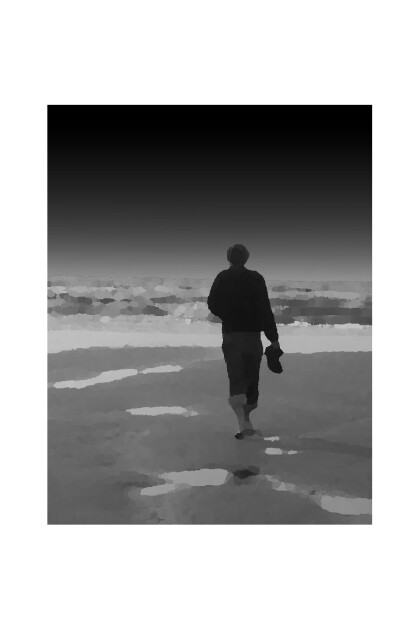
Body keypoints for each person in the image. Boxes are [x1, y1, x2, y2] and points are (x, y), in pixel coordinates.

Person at [207, 244, 280, 439]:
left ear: (229, 258)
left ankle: (243, 423)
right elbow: (265, 310)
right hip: (252, 336)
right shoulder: (256, 278)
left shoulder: (223, 277)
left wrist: (228, 315)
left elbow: (212, 303)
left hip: (231, 335)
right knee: (251, 379)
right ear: (246, 258)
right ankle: (245, 420)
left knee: (236, 377)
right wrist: (273, 339)